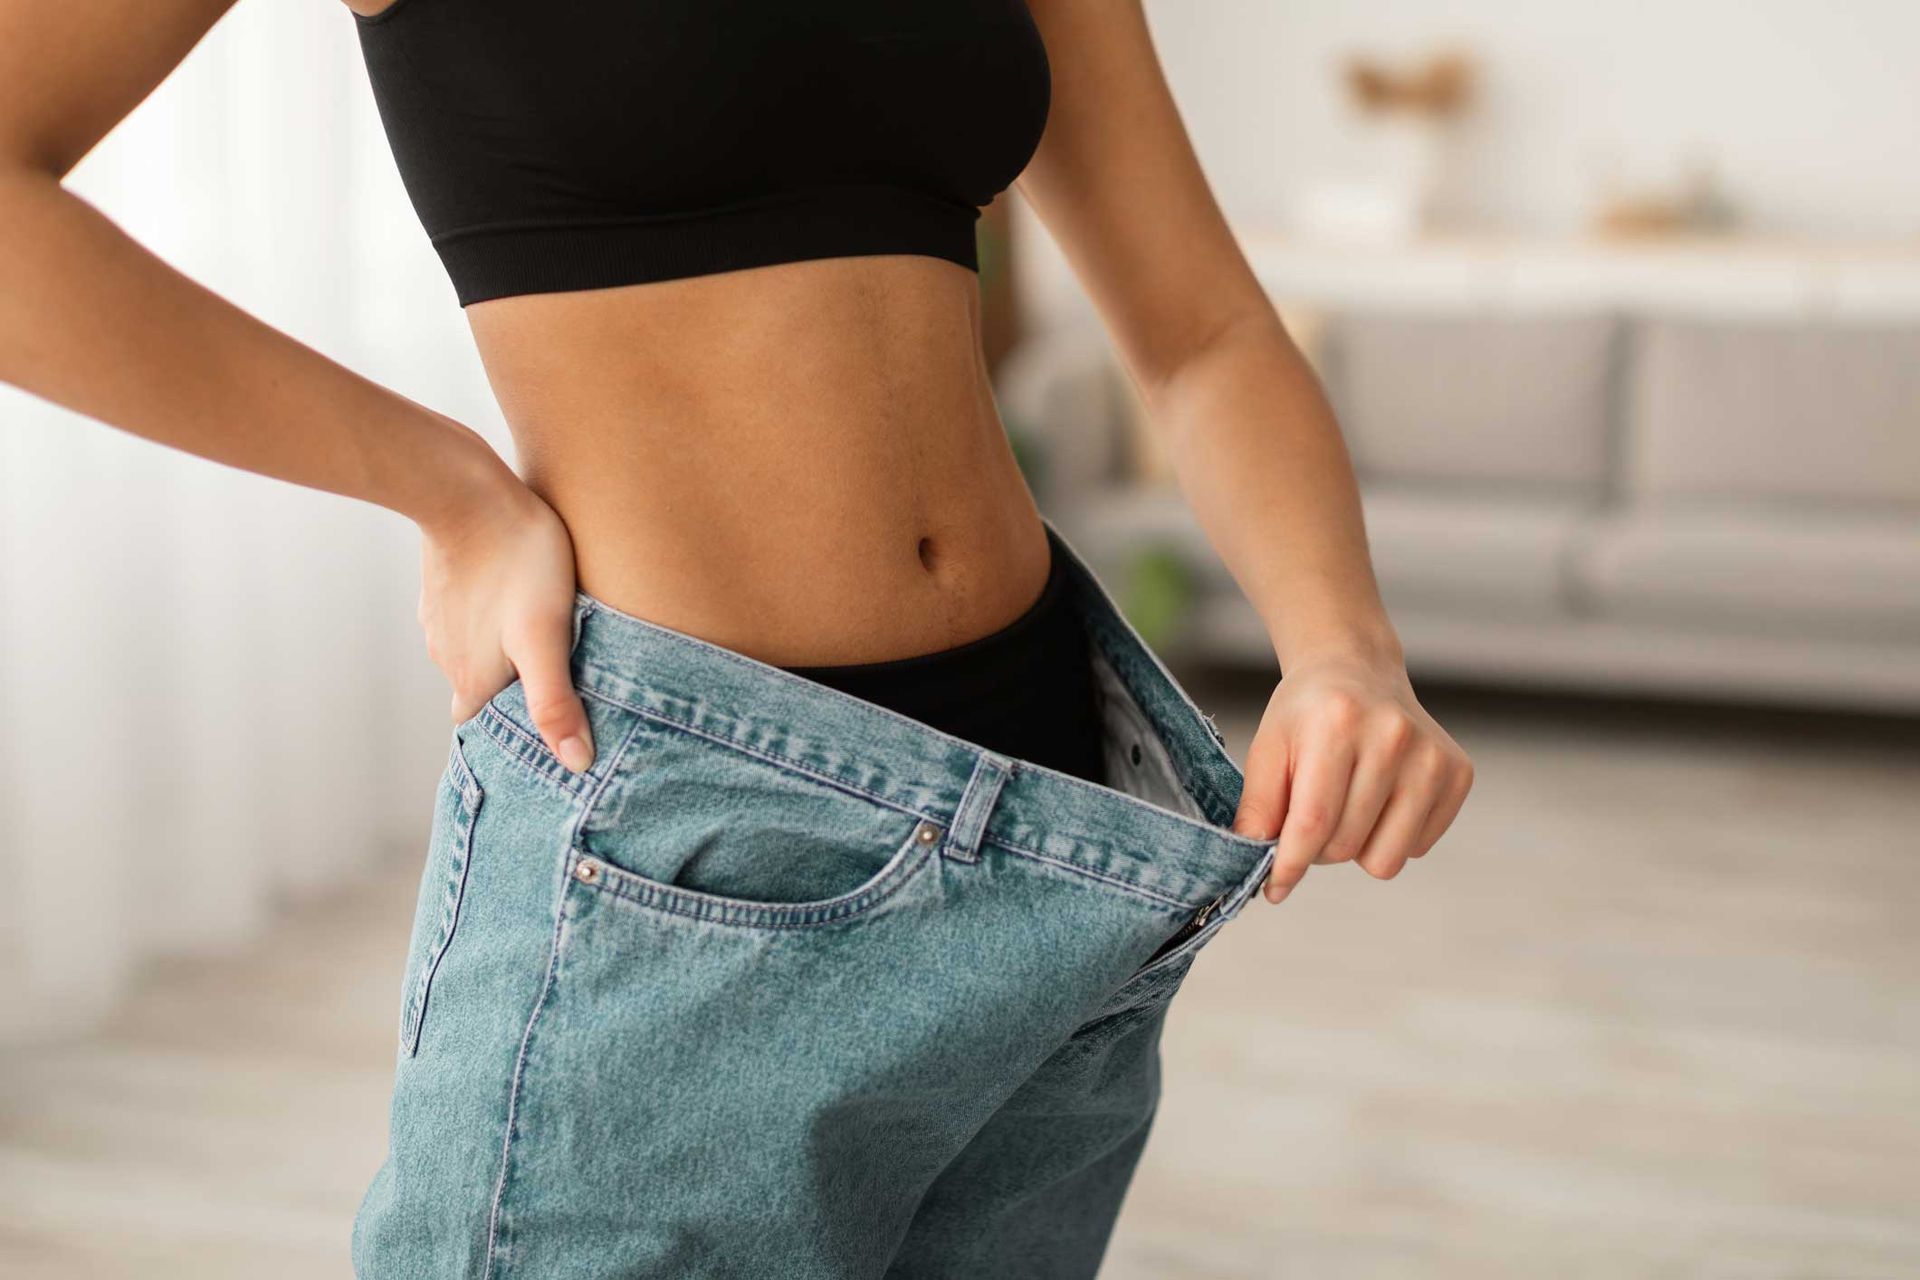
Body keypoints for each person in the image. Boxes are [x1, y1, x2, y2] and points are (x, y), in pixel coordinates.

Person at [0, 0, 1475, 1275]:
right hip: (694, 833)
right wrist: (443, 486)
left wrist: (1342, 643)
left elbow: (1198, 326)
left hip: (1060, 816)